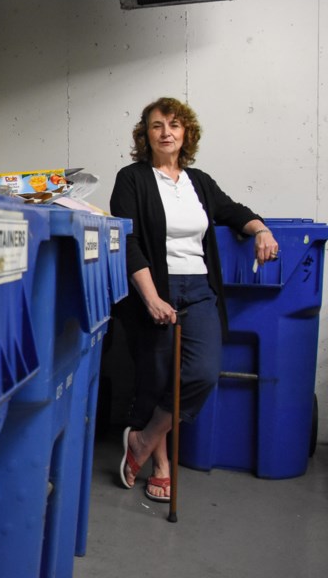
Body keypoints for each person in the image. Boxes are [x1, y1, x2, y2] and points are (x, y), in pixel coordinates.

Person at [109, 97, 279, 502]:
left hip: (199, 289)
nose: (166, 132)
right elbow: (127, 241)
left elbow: (232, 210)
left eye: (174, 124)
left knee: (202, 372)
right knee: (157, 379)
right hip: (155, 288)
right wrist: (150, 298)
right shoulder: (132, 178)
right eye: (156, 125)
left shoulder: (198, 181)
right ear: (145, 135)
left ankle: (143, 440)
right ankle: (161, 465)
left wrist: (260, 229)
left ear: (186, 133)